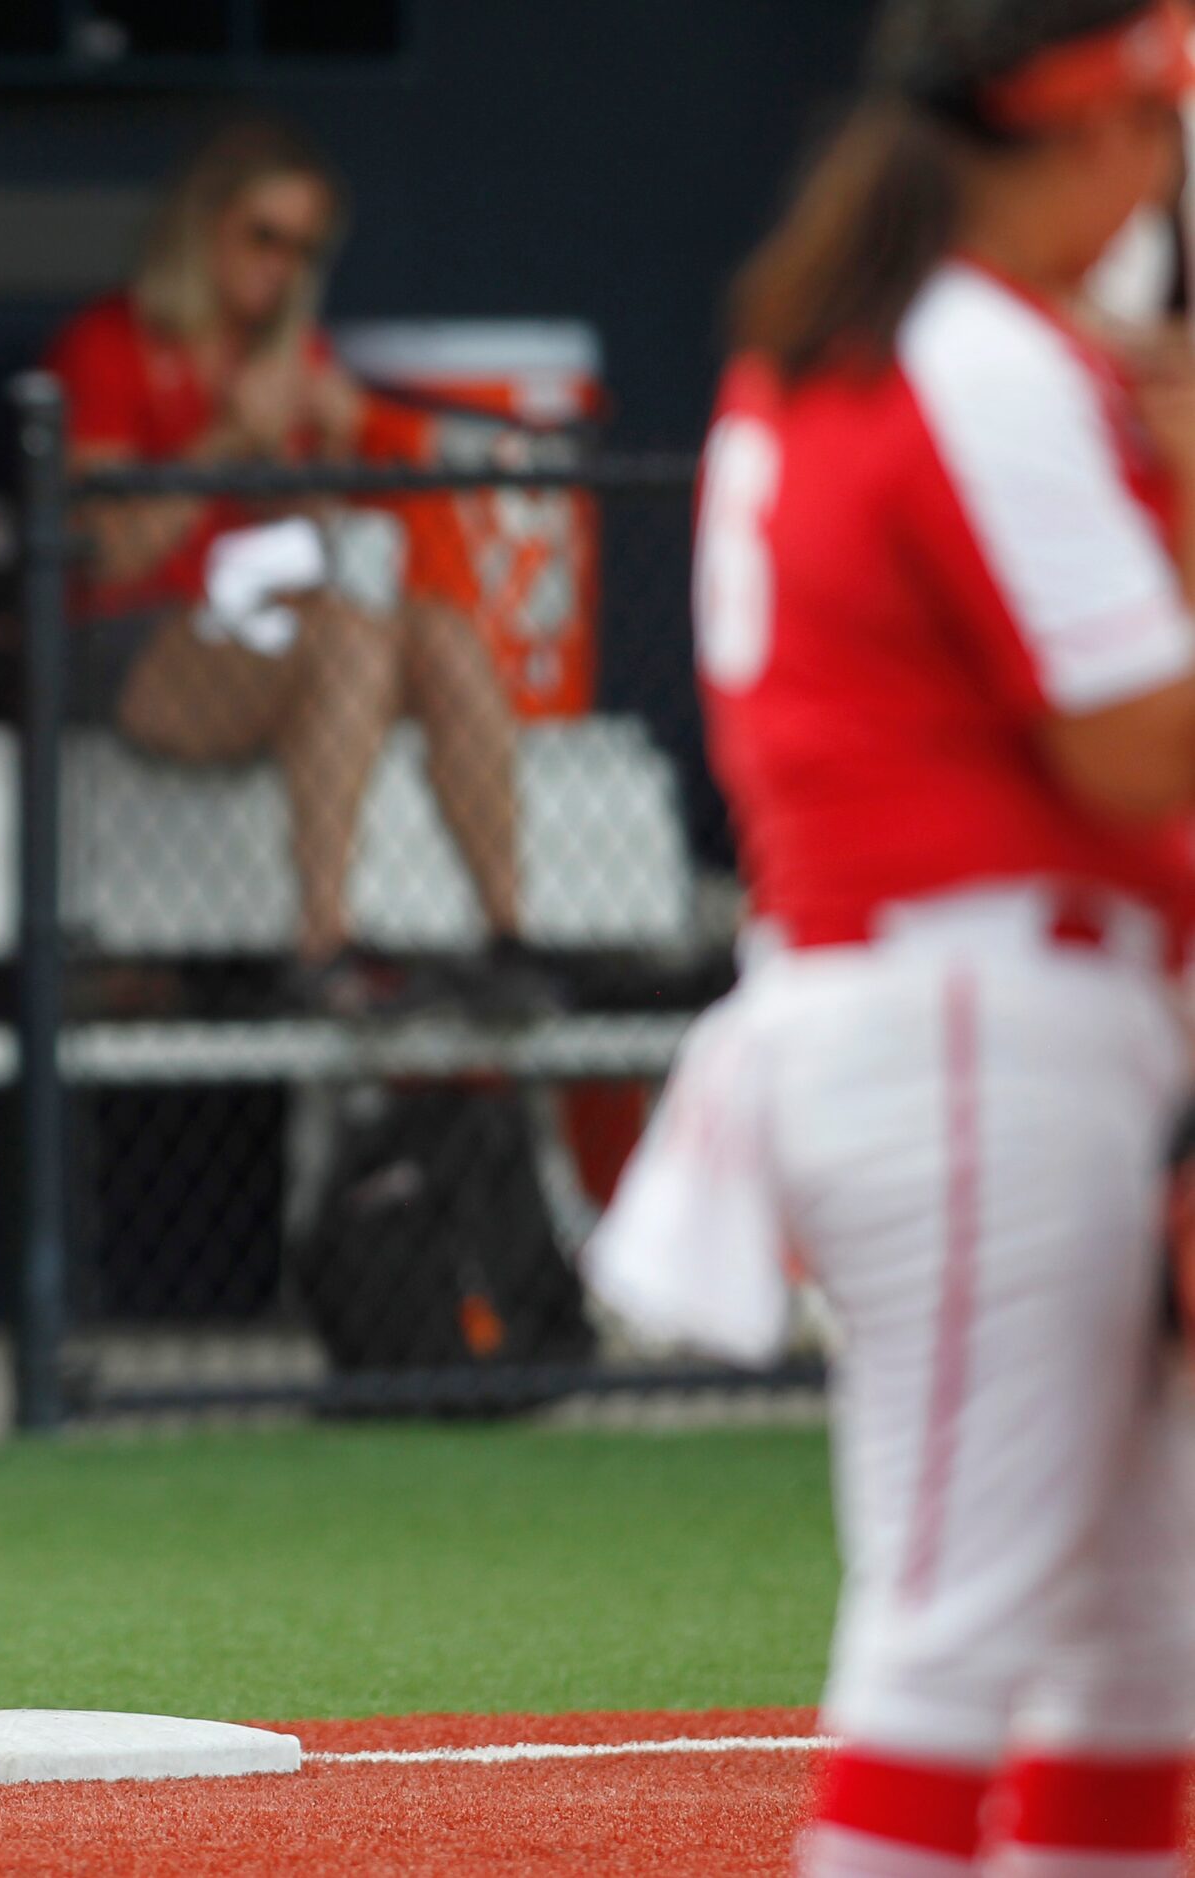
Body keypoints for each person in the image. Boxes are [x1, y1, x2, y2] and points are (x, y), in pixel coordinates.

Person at [687, 1, 1195, 1869]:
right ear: (1078, 130)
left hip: (981, 999)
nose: (1159, 172)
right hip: (972, 1011)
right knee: (957, 1618)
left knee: (1136, 1634)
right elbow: (1131, 732)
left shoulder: (897, 335)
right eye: (1150, 124)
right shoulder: (976, 353)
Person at [44, 122, 545, 1017]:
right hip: (129, 644)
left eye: (302, 249)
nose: (279, 266)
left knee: (440, 630)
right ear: (204, 228)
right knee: (350, 636)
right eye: (262, 236)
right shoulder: (109, 345)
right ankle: (322, 947)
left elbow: (314, 545)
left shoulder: (293, 358)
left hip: (269, 630)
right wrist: (226, 443)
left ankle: (509, 937)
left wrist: (325, 457)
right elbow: (106, 556)